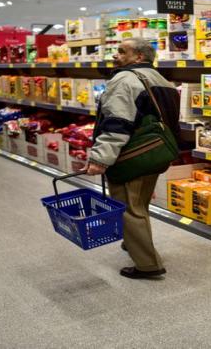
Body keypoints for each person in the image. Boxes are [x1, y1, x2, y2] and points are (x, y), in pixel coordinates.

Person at [84, 38, 180, 279]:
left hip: (132, 156)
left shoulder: (125, 79)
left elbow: (118, 122)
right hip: (155, 153)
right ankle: (133, 241)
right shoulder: (161, 80)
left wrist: (100, 158)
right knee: (140, 204)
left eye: (121, 51)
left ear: (138, 57)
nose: (116, 55)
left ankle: (147, 264)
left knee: (128, 209)